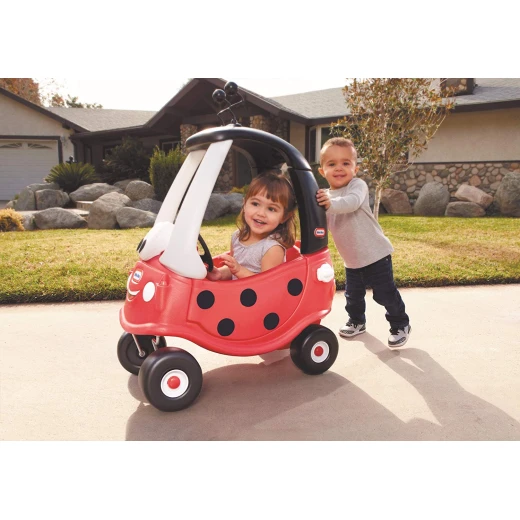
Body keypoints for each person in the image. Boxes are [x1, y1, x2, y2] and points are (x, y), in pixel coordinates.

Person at [316, 137, 411, 349]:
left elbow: (349, 204)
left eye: (346, 163)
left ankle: (400, 323)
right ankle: (357, 321)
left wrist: (329, 203)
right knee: (352, 296)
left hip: (376, 255)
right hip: (352, 259)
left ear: (355, 168)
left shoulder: (357, 186)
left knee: (385, 294)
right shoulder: (325, 197)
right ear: (322, 171)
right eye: (332, 164)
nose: (339, 168)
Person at [206, 170, 297, 281]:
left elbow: (267, 285)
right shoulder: (237, 237)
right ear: (244, 205)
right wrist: (220, 273)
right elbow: (233, 271)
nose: (261, 213)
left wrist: (239, 270)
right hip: (237, 293)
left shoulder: (272, 248)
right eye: (255, 204)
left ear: (284, 217)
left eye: (271, 209)